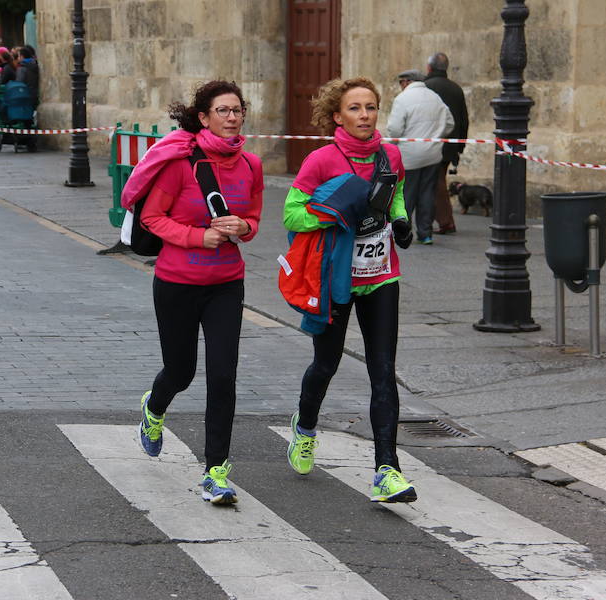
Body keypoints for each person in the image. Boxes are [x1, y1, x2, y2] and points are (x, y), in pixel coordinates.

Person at [123, 80, 263, 505]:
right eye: (223, 110)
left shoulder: (251, 165)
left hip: (226, 283)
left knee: (223, 377)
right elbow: (152, 217)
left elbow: (254, 217)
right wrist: (195, 237)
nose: (232, 117)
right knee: (181, 371)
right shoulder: (181, 162)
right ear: (203, 117)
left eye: (237, 110)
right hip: (177, 283)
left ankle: (216, 470)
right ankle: (155, 406)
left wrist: (244, 228)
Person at [283, 76, 418, 503]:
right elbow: (292, 214)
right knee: (326, 365)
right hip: (334, 279)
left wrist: (400, 220)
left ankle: (387, 470)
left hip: (381, 276)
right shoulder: (321, 160)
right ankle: (305, 428)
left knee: (383, 370)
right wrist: (334, 215)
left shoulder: (390, 155)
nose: (365, 115)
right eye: (355, 108)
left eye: (371, 107)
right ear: (337, 116)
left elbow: (393, 196)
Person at [386, 69, 453, 245]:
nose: (400, 86)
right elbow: (450, 123)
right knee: (428, 194)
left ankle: (403, 232)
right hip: (433, 154)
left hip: (409, 155)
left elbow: (394, 129)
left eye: (401, 82)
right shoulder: (435, 97)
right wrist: (437, 136)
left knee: (406, 195)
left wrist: (393, 147)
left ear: (407, 82)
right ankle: (425, 233)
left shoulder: (403, 99)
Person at [424, 52, 470, 235]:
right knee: (437, 180)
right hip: (451, 143)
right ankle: (439, 220)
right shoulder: (455, 88)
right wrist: (461, 145)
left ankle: (445, 222)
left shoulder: (426, 87)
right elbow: (464, 119)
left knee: (436, 183)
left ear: (429, 68)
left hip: (430, 143)